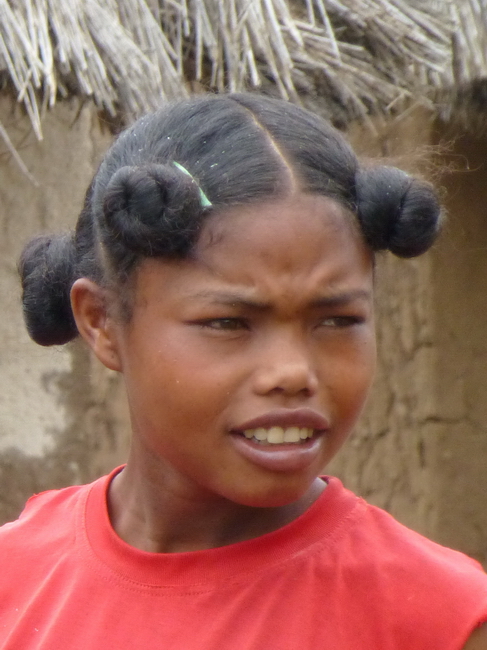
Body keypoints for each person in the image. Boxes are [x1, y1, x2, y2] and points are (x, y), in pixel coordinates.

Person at [1, 93, 486, 649]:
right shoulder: (16, 579)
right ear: (102, 322)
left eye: (336, 320)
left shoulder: (438, 620)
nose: (292, 372)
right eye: (229, 322)